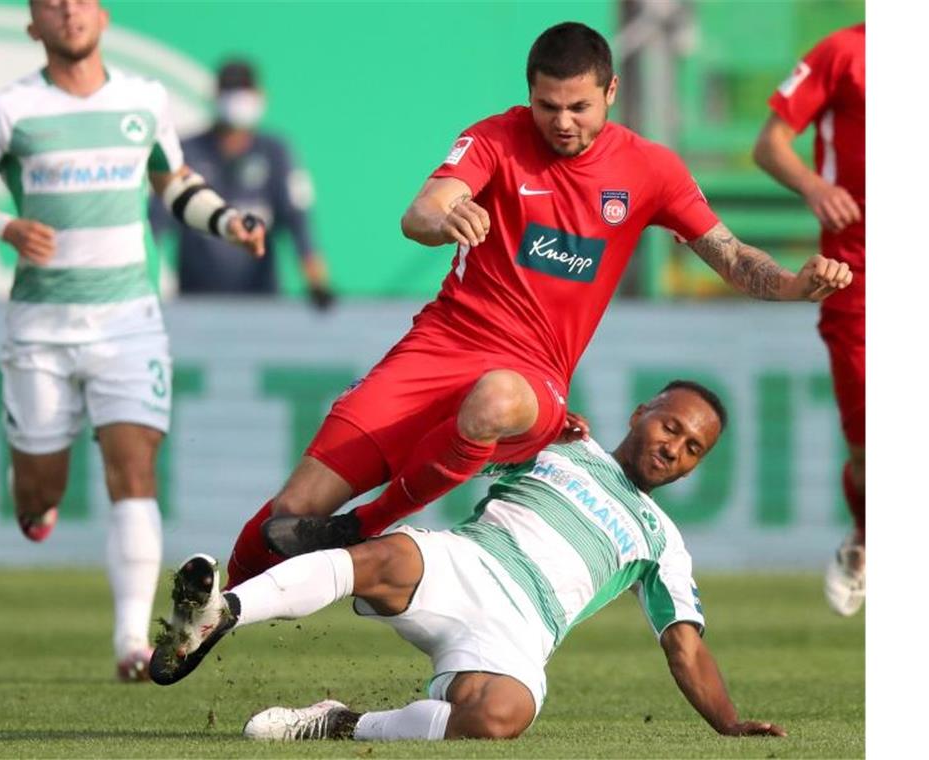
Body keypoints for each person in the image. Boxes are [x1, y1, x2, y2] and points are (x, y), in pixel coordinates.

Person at [223, 21, 853, 588]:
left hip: (534, 378)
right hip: (438, 348)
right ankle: (210, 613)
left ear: (611, 93)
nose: (562, 122)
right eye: (547, 106)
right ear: (530, 94)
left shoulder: (651, 170)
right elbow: (421, 211)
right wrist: (445, 219)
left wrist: (797, 285)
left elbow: (732, 256)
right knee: (292, 513)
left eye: (579, 106)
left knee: (497, 396)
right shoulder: (496, 137)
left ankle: (367, 523)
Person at [151, 381, 787, 743]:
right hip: (467, 561)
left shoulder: (662, 539)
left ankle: (340, 723)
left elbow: (685, 646)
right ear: (640, 412)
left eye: (693, 448)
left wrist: (727, 724)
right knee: (381, 558)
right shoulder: (563, 443)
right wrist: (529, 429)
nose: (675, 448)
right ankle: (222, 609)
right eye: (671, 426)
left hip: (522, 631)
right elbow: (461, 435)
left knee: (500, 718)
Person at [0, 0, 265, 680]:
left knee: (134, 470)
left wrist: (227, 219)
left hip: (128, 321)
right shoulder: (9, 110)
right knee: (38, 490)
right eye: (51, 4)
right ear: (34, 25)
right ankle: (37, 504)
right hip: (41, 327)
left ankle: (130, 644)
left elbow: (173, 183)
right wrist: (6, 225)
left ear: (103, 15)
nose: (68, 10)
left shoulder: (144, 101)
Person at [752, 23, 865, 617]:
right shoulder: (842, 52)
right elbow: (770, 143)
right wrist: (815, 185)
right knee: (870, 443)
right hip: (857, 277)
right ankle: (867, 534)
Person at [148, 59, 335, 308]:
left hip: (261, 303)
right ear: (215, 96)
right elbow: (154, 227)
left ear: (261, 96)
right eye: (230, 92)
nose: (237, 100)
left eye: (245, 92)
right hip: (196, 304)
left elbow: (298, 223)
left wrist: (317, 284)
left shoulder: (275, 152)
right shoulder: (187, 152)